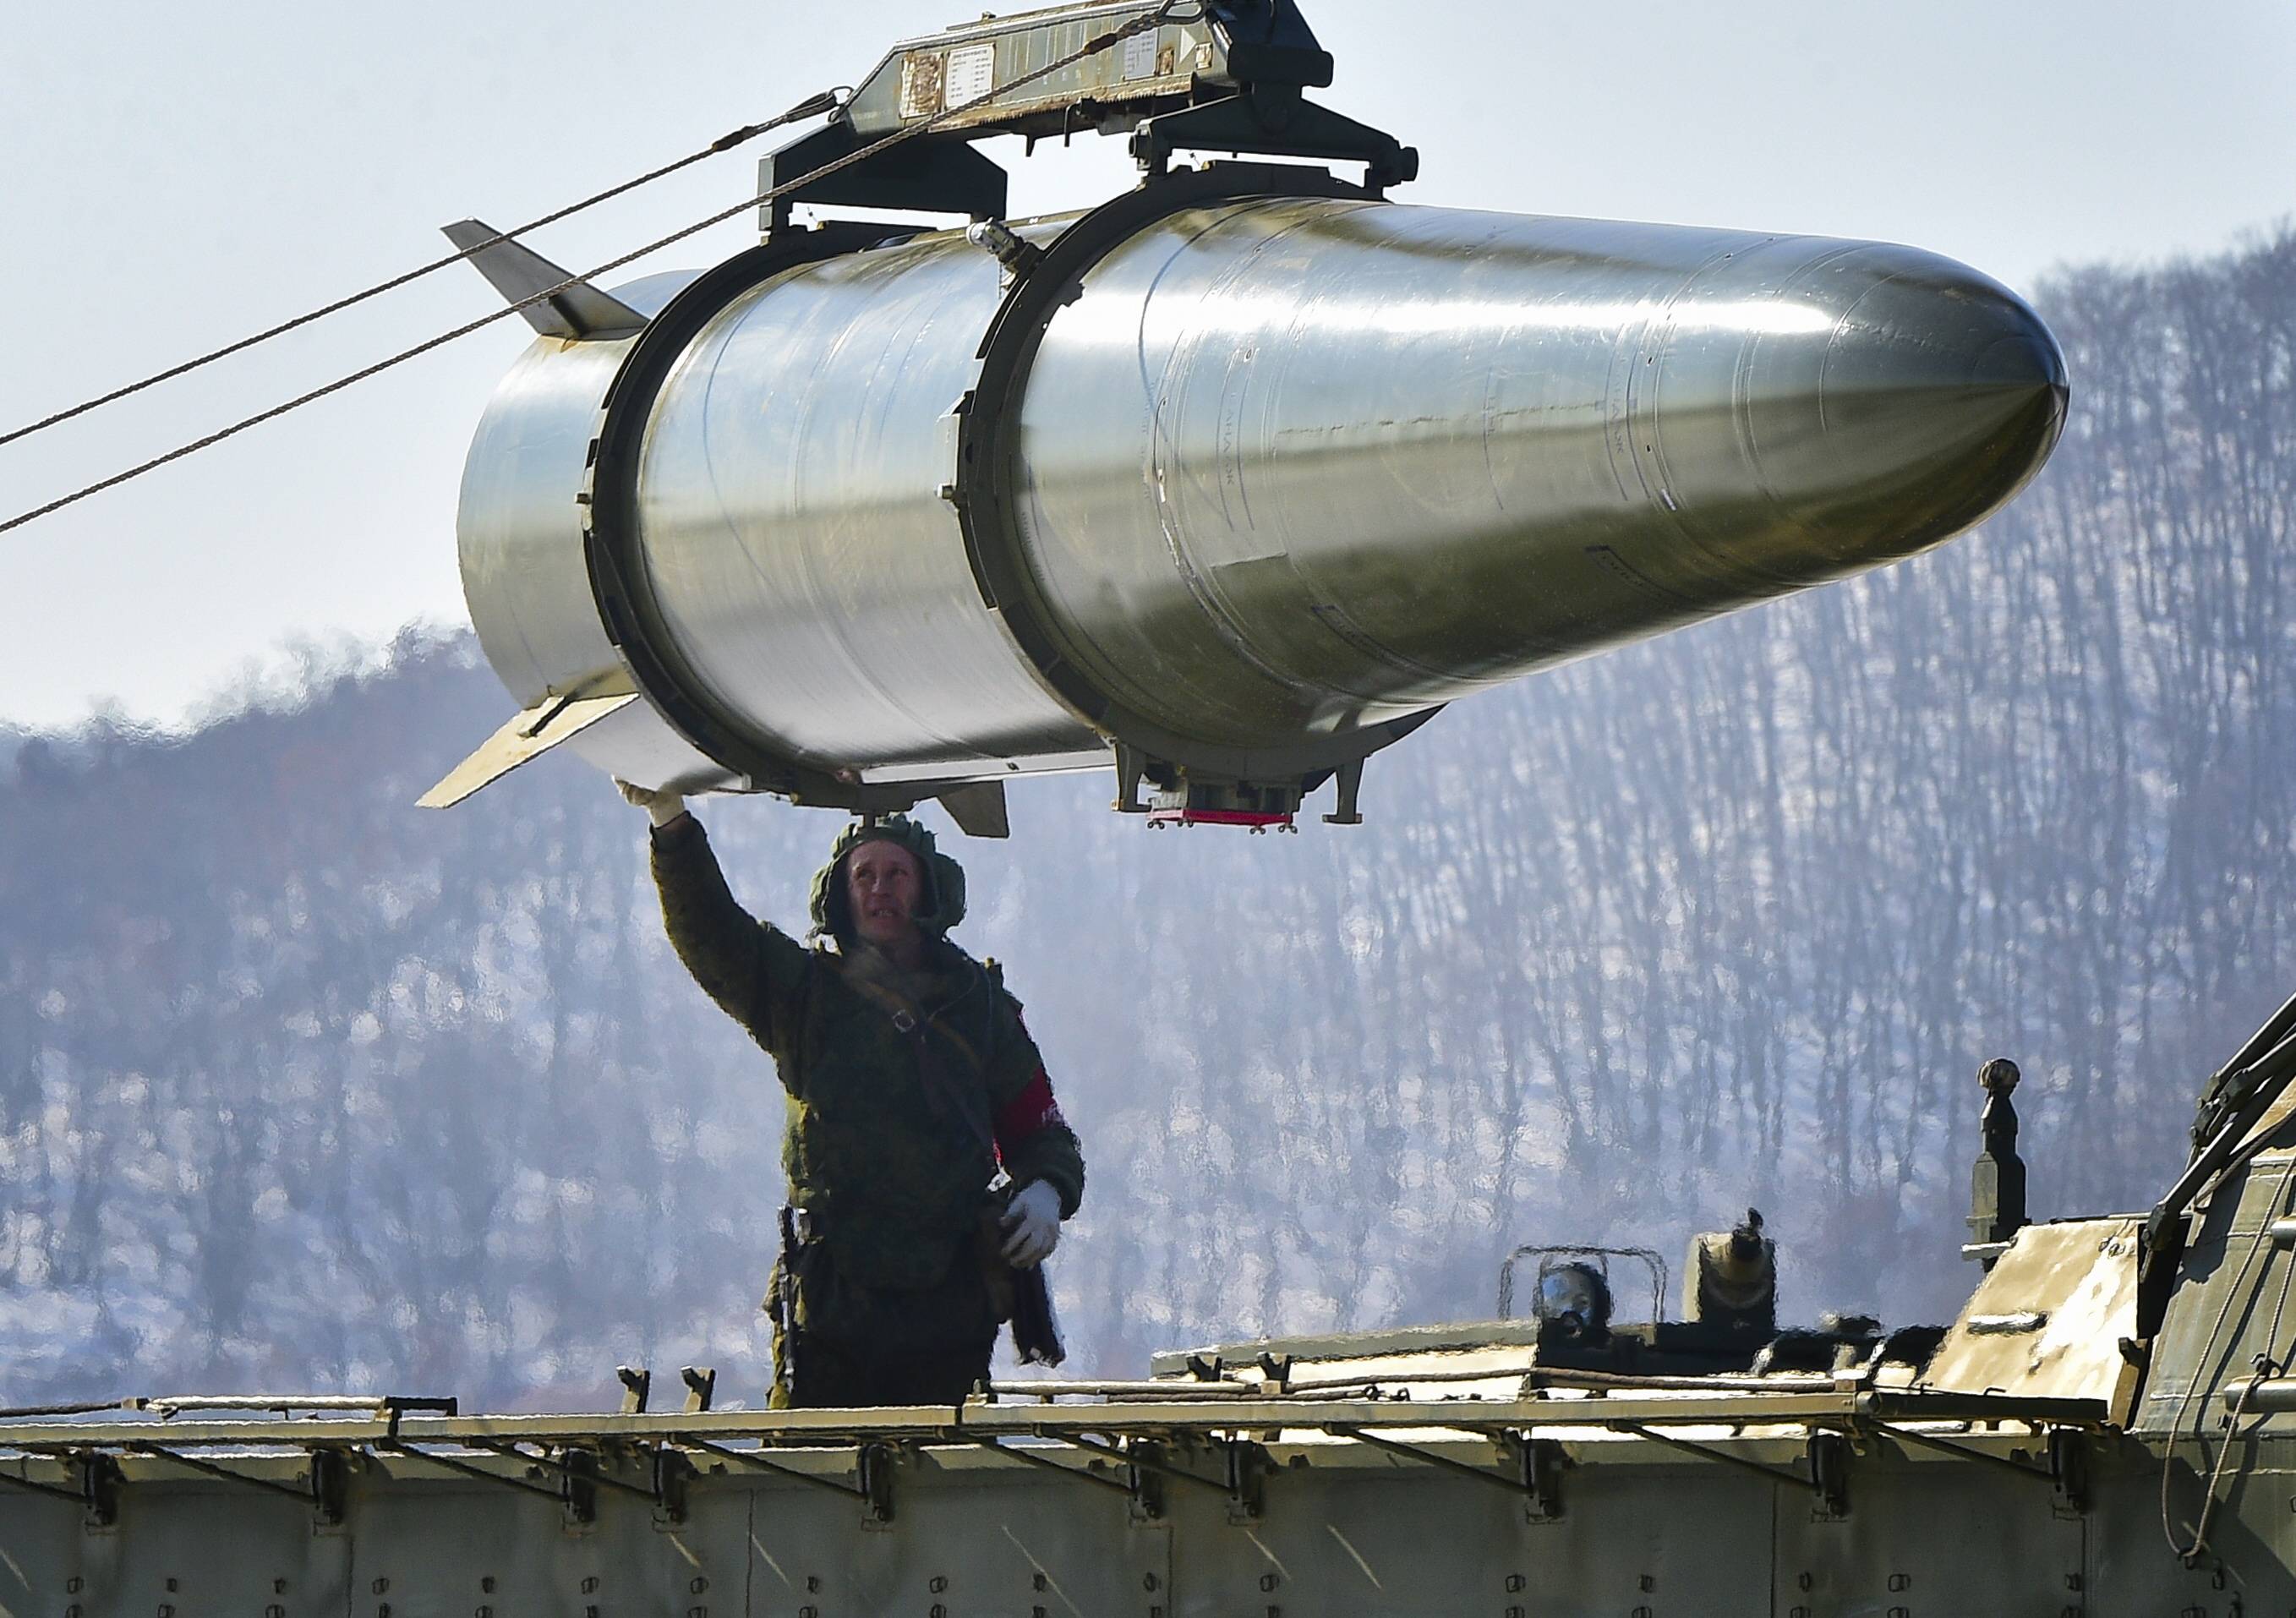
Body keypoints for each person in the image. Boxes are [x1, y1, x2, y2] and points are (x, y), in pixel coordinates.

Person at [615, 780, 1085, 1408]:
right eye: (863, 874)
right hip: (831, 1311)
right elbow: (713, 936)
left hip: (946, 1309)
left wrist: (1045, 1189)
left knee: (939, 1490)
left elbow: (1039, 1130)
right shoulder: (803, 995)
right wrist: (669, 822)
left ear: (928, 887)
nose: (879, 887)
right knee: (812, 1484)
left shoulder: (980, 1008)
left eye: (896, 872)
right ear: (840, 892)